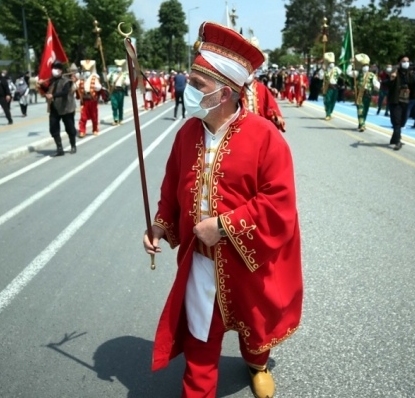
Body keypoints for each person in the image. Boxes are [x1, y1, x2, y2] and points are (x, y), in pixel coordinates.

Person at [143, 21, 302, 398]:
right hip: (200, 258)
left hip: (249, 259)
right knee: (201, 337)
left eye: (200, 86)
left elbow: (280, 203)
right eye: (192, 83)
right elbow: (171, 188)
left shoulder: (266, 137)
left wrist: (226, 226)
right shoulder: (186, 134)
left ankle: (257, 363)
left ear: (226, 93)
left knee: (256, 326)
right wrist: (161, 226)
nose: (190, 92)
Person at [43, 61, 77, 156]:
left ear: (61, 70)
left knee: (70, 128)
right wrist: (41, 85)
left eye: (56, 68)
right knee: (53, 128)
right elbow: (47, 90)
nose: (54, 70)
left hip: (66, 108)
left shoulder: (66, 81)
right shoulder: (51, 81)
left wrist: (53, 95)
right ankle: (59, 148)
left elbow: (65, 92)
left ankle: (73, 145)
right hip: (54, 108)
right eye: (53, 68)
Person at [387, 55, 415, 151]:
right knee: (397, 122)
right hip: (396, 101)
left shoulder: (410, 74)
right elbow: (385, 83)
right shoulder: (394, 73)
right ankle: (397, 141)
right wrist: (391, 79)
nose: (406, 63)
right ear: (399, 62)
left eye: (407, 61)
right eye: (404, 61)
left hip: (406, 101)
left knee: (402, 122)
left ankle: (394, 138)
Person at [349, 53, 380, 132]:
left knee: (365, 110)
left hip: (367, 95)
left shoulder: (371, 75)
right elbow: (348, 72)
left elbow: (376, 84)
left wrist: (377, 86)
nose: (365, 67)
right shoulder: (358, 73)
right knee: (360, 109)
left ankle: (361, 123)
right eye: (363, 65)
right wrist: (351, 63)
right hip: (359, 95)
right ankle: (362, 125)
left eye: (366, 65)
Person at [76, 59, 102, 137]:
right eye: (85, 70)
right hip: (84, 100)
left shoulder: (94, 78)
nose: (86, 71)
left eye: (88, 70)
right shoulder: (81, 79)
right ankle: (82, 131)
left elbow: (99, 87)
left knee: (94, 116)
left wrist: (95, 87)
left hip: (92, 99)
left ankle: (95, 129)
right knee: (83, 116)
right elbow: (76, 86)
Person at [108, 59, 130, 125]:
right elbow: (106, 78)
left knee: (120, 106)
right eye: (117, 66)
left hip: (121, 91)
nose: (118, 68)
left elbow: (128, 82)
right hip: (114, 91)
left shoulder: (124, 74)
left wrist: (125, 82)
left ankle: (120, 119)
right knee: (114, 105)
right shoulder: (112, 74)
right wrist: (104, 72)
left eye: (120, 66)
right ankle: (115, 119)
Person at [322, 52, 342, 120]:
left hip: (335, 87)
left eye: (332, 62)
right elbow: (320, 77)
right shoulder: (325, 70)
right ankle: (328, 114)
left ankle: (330, 112)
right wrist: (323, 69)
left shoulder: (337, 70)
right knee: (327, 100)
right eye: (330, 63)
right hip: (328, 87)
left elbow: (342, 72)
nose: (331, 64)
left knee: (333, 101)